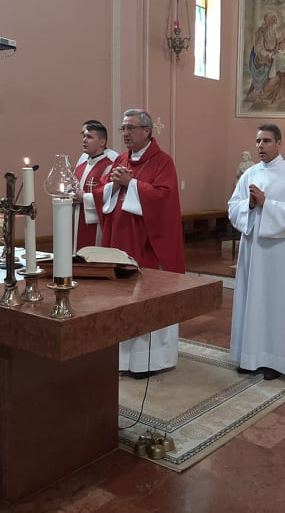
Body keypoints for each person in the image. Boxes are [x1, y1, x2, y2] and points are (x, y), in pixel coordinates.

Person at [93, 109, 184, 378]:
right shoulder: (121, 159)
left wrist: (131, 184)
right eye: (123, 128)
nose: (125, 133)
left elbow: (164, 199)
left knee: (146, 297)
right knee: (121, 298)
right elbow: (101, 191)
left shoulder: (163, 161)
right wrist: (113, 185)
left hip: (146, 246)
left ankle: (149, 361)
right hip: (119, 241)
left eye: (131, 128)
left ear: (147, 131)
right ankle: (122, 359)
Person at [228, 123, 285, 380]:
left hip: (280, 254)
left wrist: (267, 203)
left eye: (266, 141)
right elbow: (233, 206)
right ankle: (249, 356)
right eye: (258, 141)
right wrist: (250, 206)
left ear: (279, 143)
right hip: (253, 251)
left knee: (277, 303)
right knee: (251, 301)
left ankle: (276, 361)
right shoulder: (249, 174)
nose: (260, 146)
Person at [72, 120, 113, 252]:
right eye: (84, 136)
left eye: (89, 137)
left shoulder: (109, 167)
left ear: (102, 142)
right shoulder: (80, 167)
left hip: (96, 226)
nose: (84, 140)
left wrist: (84, 197)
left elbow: (109, 198)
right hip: (75, 223)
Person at [247, 12, 279, 96]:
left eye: (274, 18)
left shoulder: (273, 29)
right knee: (267, 70)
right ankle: (261, 90)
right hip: (261, 55)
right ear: (268, 20)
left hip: (271, 54)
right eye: (272, 19)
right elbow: (258, 47)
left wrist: (276, 50)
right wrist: (267, 54)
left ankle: (267, 91)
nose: (274, 20)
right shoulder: (261, 31)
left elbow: (275, 43)